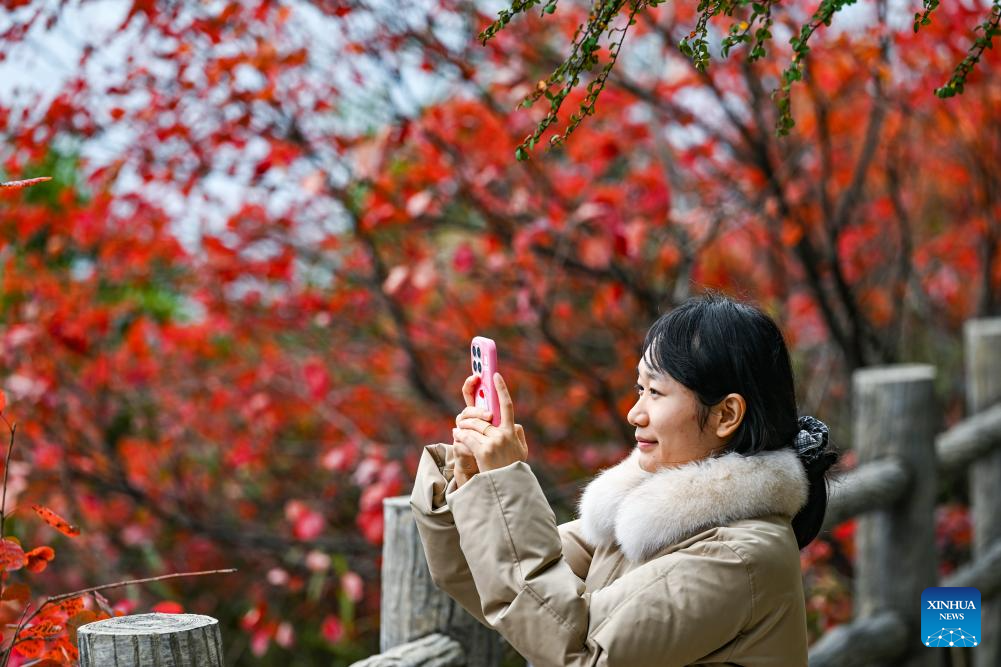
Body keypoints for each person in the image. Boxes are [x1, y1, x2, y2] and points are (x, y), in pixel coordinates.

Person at [410, 292, 839, 667]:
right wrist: (470, 479)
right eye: (639, 389)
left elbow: (579, 650)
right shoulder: (641, 514)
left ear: (726, 414)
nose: (636, 413)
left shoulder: (742, 557)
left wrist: (504, 481)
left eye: (656, 392)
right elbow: (492, 580)